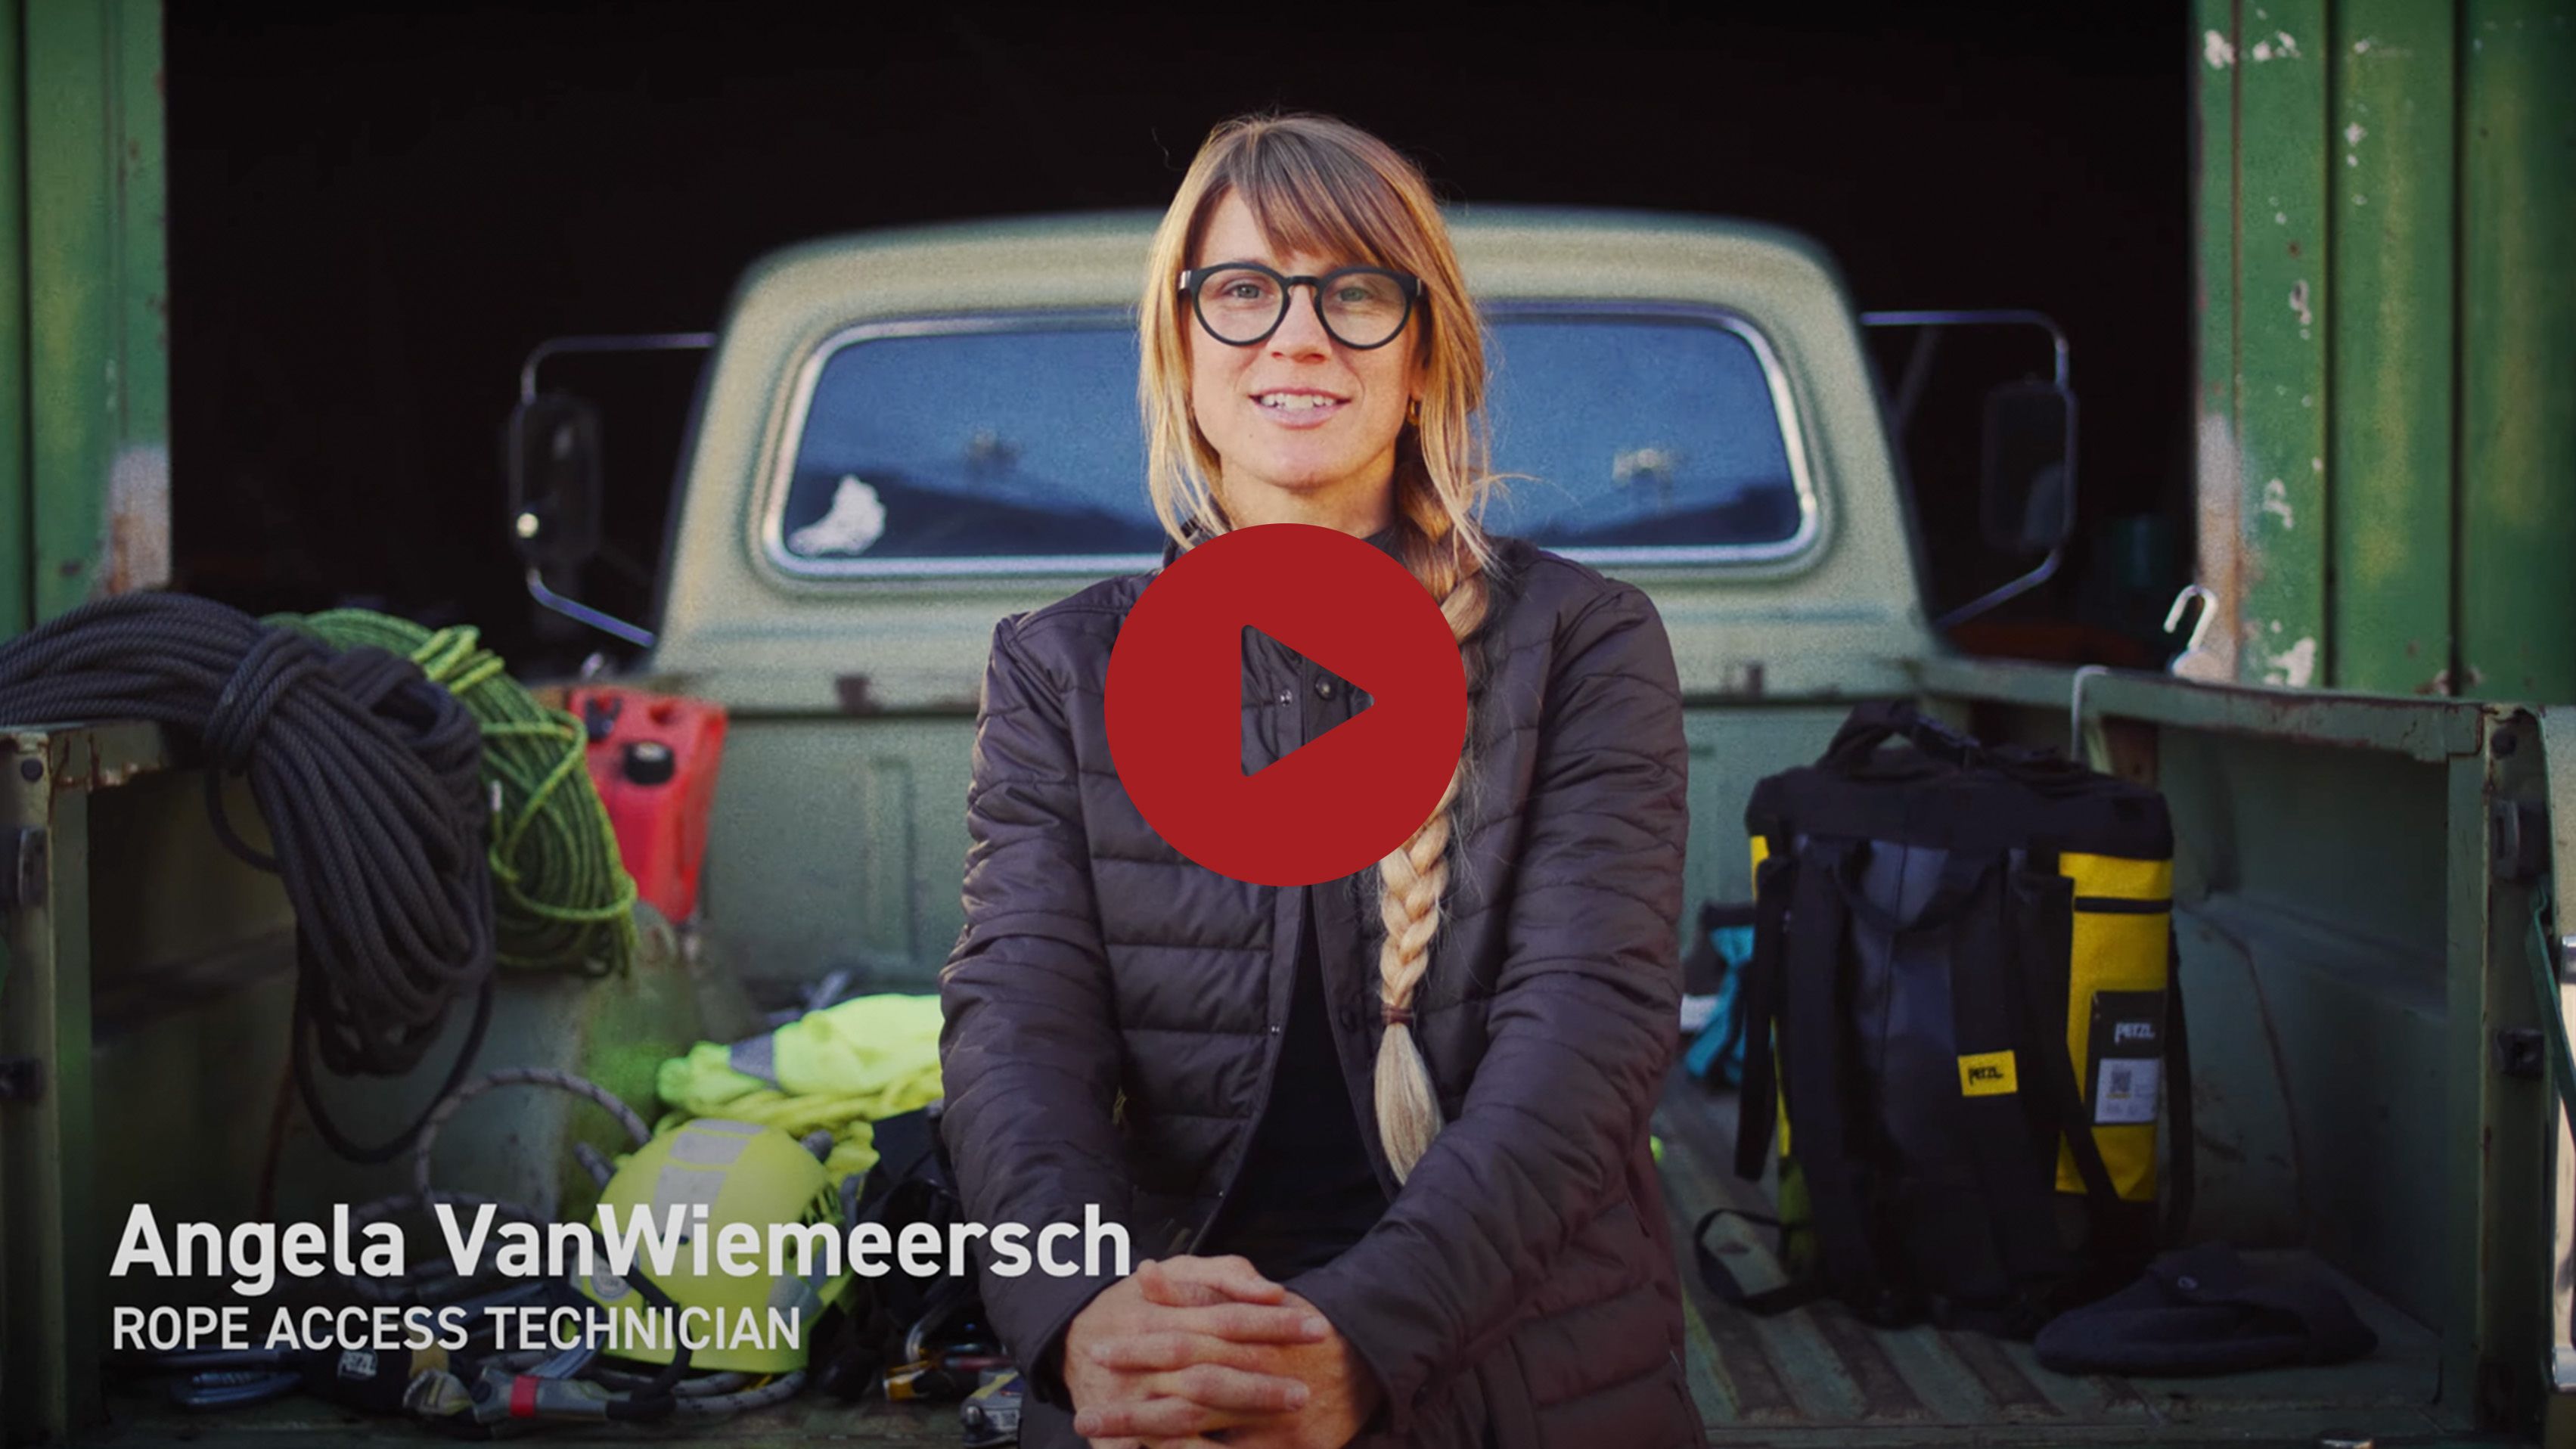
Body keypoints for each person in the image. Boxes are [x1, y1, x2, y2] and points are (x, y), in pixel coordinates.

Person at [938, 112, 1702, 1449]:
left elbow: (1586, 1038)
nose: (1295, 336)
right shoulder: (1063, 666)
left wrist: (1369, 1339)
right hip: (1171, 1319)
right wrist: (1082, 1308)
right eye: (1241, 291)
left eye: (1354, 292)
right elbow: (1018, 1019)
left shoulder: (1579, 641)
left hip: (1500, 1324)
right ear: (1180, 350)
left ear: (1422, 357)